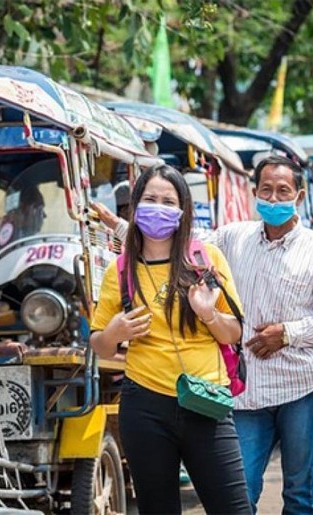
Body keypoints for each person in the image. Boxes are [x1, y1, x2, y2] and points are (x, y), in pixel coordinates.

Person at [95, 155, 313, 514]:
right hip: (246, 392)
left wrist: (289, 333)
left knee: (300, 495)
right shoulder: (233, 238)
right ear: (255, 193)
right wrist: (123, 228)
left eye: (283, 191)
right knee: (240, 495)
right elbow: (175, 242)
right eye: (267, 189)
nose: (274, 198)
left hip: (303, 385)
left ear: (299, 196)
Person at [89, 165, 251, 514]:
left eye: (168, 200)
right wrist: (114, 332)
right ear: (134, 208)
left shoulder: (205, 260)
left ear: (182, 210)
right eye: (150, 199)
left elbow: (234, 332)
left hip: (206, 403)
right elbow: (99, 345)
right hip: (144, 406)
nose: (158, 207)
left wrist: (208, 314)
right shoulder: (119, 270)